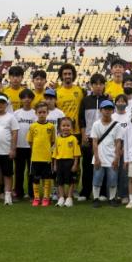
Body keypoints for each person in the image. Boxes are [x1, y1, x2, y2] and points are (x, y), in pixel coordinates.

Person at [54, 63, 85, 200]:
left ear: (73, 75)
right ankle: (57, 189)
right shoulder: (57, 92)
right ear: (61, 76)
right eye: (65, 74)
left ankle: (74, 188)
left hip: (76, 132)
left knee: (76, 162)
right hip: (61, 133)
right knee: (59, 161)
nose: (67, 76)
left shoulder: (79, 91)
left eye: (69, 74)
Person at [78, 73, 109, 201]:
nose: (98, 86)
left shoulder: (107, 101)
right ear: (91, 85)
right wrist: (83, 135)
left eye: (101, 84)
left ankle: (102, 192)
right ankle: (85, 192)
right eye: (95, 84)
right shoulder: (85, 100)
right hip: (89, 137)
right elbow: (81, 119)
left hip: (103, 138)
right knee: (87, 166)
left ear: (104, 85)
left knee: (102, 165)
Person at [89, 100, 122, 208]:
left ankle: (112, 198)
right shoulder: (96, 124)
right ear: (101, 110)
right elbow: (94, 142)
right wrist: (96, 158)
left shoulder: (117, 125)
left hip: (112, 156)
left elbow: (118, 142)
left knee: (113, 179)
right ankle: (96, 198)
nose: (107, 111)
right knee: (97, 178)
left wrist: (117, 158)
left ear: (113, 111)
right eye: (105, 109)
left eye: (110, 109)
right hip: (99, 156)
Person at [27, 102, 55, 207]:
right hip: (35, 158)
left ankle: (46, 198)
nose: (42, 114)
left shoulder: (51, 126)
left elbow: (52, 141)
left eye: (44, 112)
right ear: (36, 113)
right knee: (35, 178)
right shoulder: (33, 126)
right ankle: (36, 198)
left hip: (47, 158)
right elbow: (30, 141)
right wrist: (36, 150)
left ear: (47, 113)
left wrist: (46, 150)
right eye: (40, 112)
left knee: (47, 178)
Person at [13, 89, 36, 200]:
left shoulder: (35, 113)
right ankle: (18, 193)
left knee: (32, 171)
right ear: (21, 99)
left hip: (32, 147)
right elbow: (13, 130)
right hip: (19, 146)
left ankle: (32, 193)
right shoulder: (16, 113)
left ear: (32, 99)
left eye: (29, 97)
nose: (27, 99)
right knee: (19, 171)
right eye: (24, 97)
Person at [53, 118, 81, 208]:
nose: (66, 128)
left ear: (71, 127)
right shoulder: (58, 139)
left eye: (68, 126)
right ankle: (61, 197)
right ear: (60, 127)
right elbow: (55, 153)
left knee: (71, 181)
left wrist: (75, 164)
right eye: (63, 126)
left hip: (70, 162)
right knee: (59, 181)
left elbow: (76, 154)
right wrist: (54, 165)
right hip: (59, 162)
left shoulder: (73, 139)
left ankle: (69, 198)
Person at [112, 94, 131, 203]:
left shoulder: (129, 116)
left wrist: (124, 148)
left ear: (126, 103)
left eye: (123, 101)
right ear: (115, 103)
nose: (121, 103)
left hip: (126, 145)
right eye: (118, 101)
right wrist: (116, 148)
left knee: (124, 171)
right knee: (114, 170)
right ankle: (114, 194)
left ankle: (124, 195)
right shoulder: (112, 116)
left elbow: (131, 132)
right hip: (113, 144)